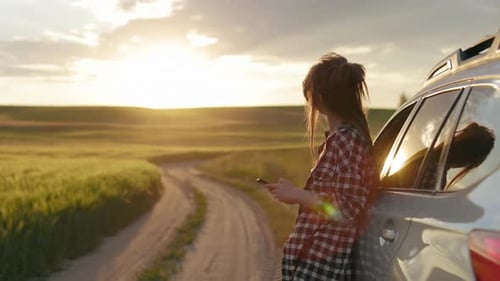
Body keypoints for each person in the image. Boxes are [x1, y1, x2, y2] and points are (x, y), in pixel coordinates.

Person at [265, 52, 379, 281]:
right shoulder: (339, 139)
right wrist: (298, 193)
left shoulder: (347, 141)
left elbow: (346, 209)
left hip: (322, 269)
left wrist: (298, 195)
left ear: (317, 97)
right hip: (314, 264)